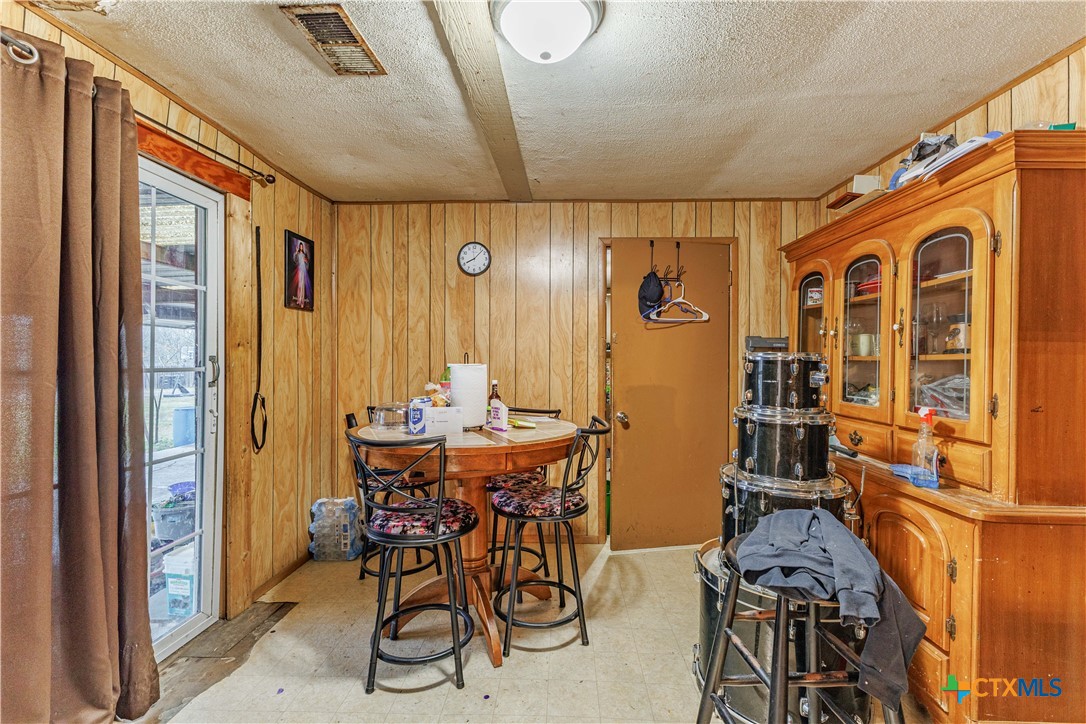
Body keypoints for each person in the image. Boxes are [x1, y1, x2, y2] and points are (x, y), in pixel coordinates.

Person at [292, 239, 311, 307]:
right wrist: (296, 252)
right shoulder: (298, 254)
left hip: (303, 270)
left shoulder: (304, 254)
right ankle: (298, 300)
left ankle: (302, 301)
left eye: (302, 246)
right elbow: (295, 260)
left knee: (302, 285)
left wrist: (306, 261)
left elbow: (307, 263)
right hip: (299, 269)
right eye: (300, 246)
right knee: (299, 285)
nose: (301, 247)